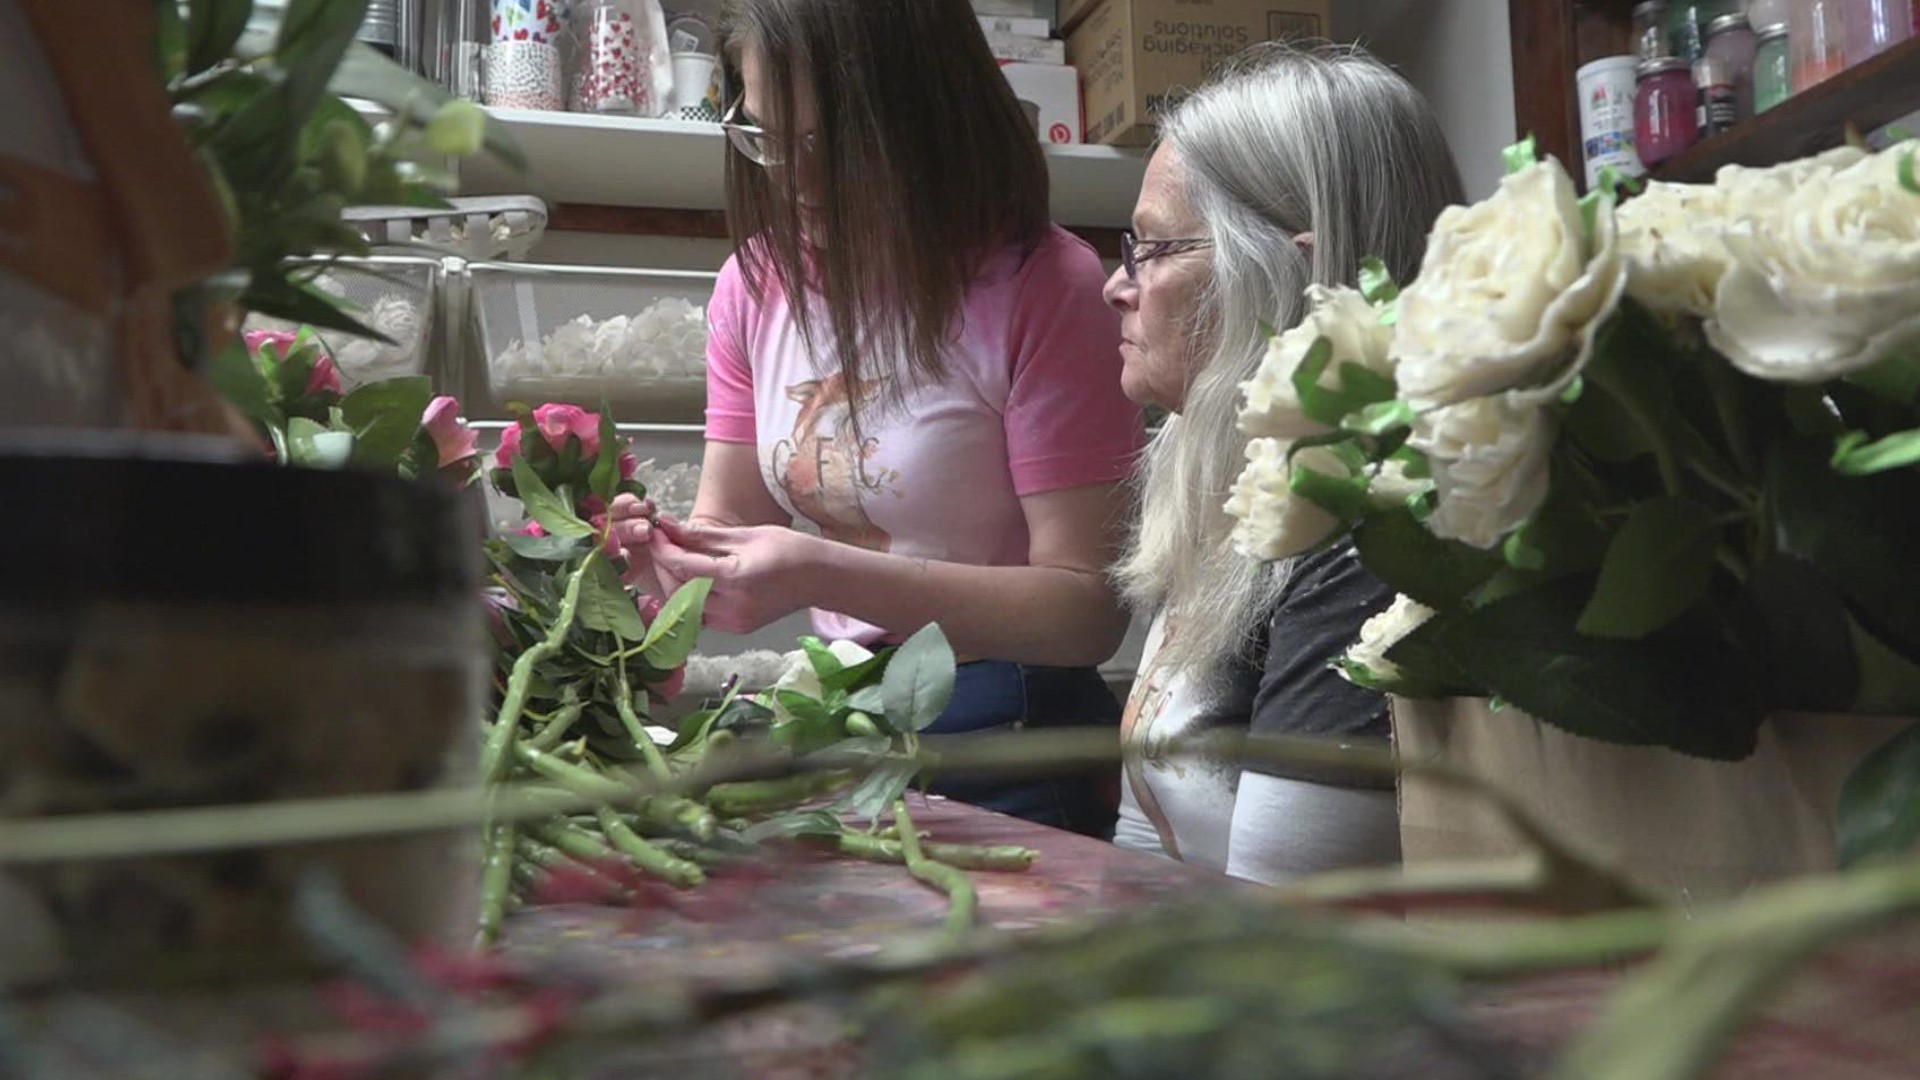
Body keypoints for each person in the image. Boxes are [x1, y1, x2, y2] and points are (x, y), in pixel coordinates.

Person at [610, 0, 1143, 837]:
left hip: (1007, 721)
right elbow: (731, 517)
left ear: (925, 122)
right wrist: (670, 560)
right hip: (843, 704)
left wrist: (820, 573)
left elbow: (1086, 613)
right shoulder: (755, 285)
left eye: (827, 144)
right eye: (764, 135)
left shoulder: (1050, 287)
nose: (793, 177)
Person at [1102, 43, 1466, 881]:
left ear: (1289, 277)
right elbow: (1142, 841)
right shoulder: (1235, 487)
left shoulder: (1371, 534)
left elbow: (1288, 932)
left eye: (1151, 251)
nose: (1115, 287)